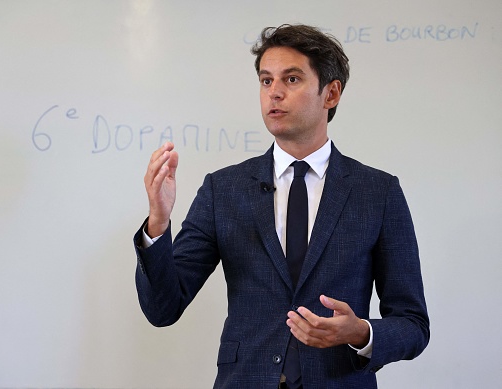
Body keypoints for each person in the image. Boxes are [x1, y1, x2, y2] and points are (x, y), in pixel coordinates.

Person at [133, 24, 429, 389]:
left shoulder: (378, 192)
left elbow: (413, 324)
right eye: (266, 81)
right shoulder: (223, 190)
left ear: (331, 93)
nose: (274, 93)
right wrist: (159, 223)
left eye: (291, 80)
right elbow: (163, 308)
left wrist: (361, 332)